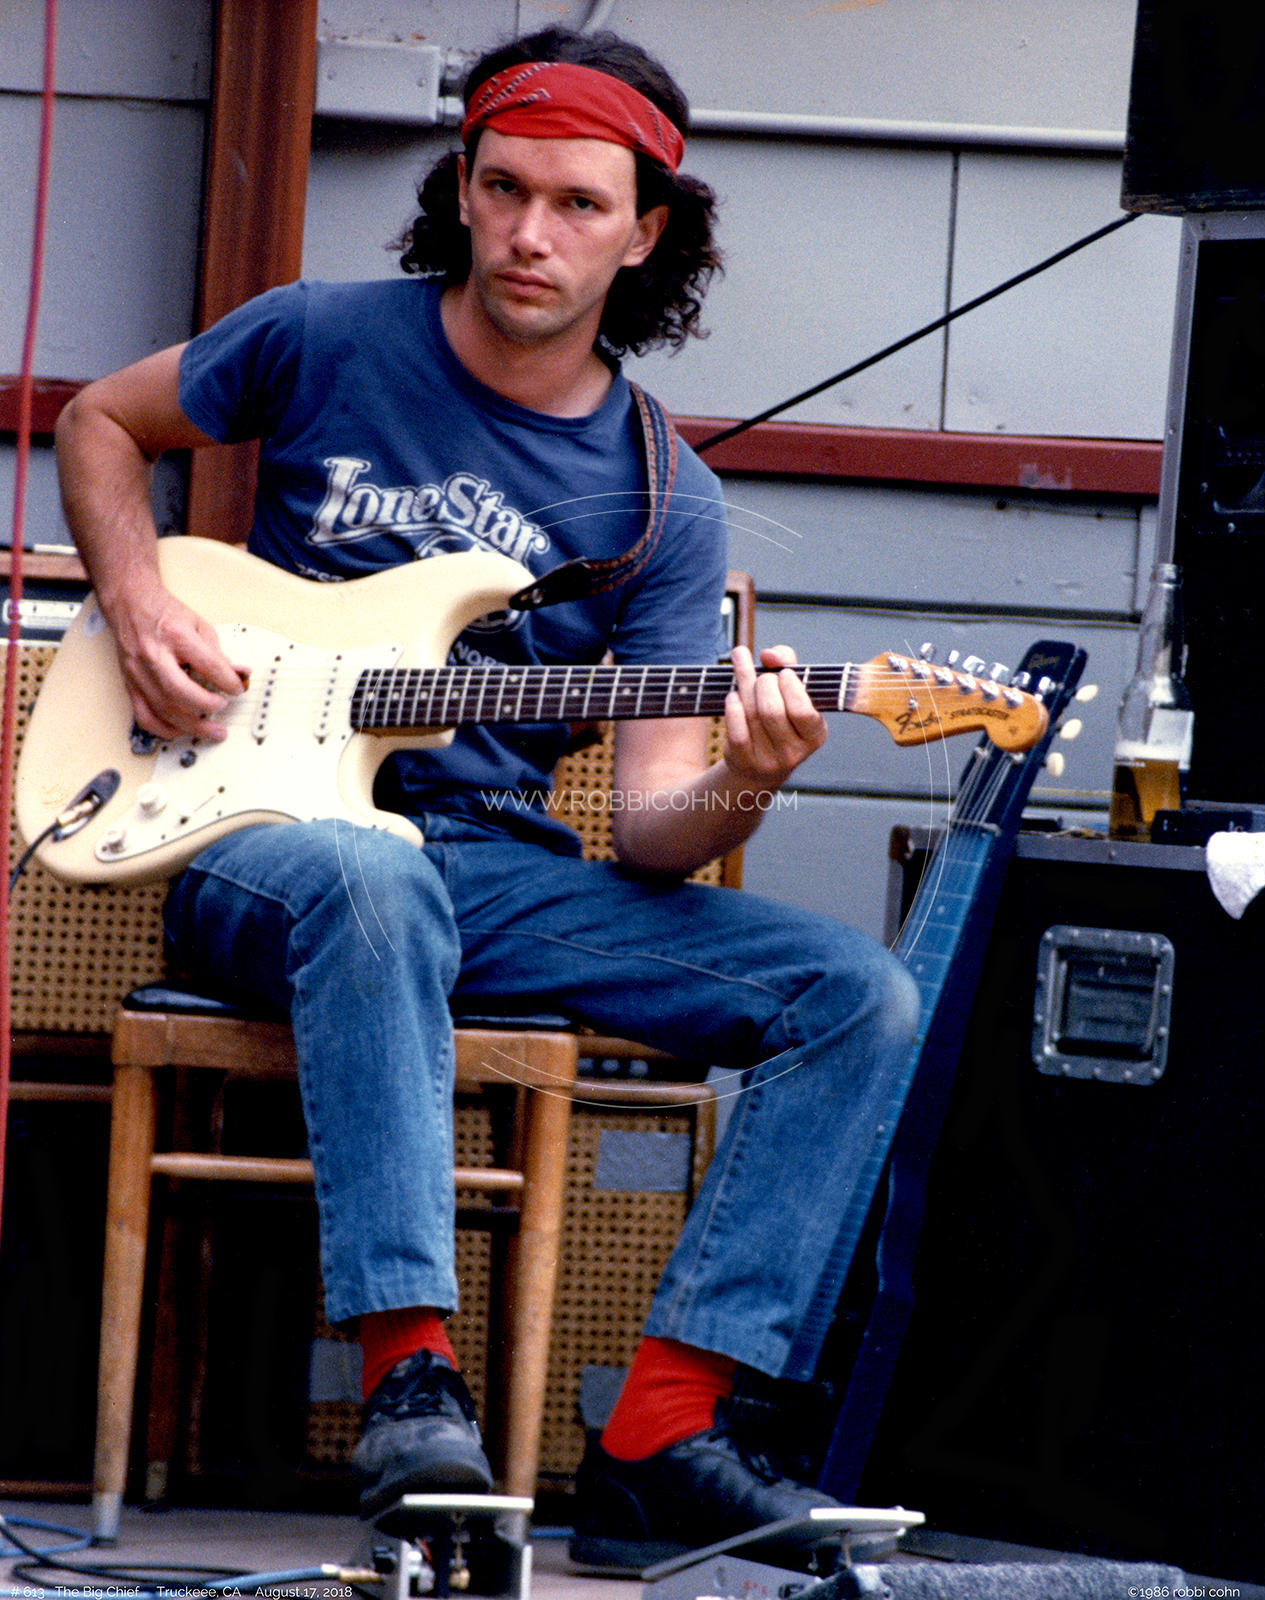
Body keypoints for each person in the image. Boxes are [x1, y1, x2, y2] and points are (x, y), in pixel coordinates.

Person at [54, 24, 920, 1573]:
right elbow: (98, 424)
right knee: (374, 876)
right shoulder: (320, 337)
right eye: (505, 188)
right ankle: (411, 1383)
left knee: (858, 996)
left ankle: (663, 1436)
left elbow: (653, 830)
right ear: (461, 186)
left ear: (645, 234)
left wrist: (746, 781)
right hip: (261, 841)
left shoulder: (662, 494)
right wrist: (137, 598)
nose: (531, 233)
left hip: (494, 874)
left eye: (579, 204)